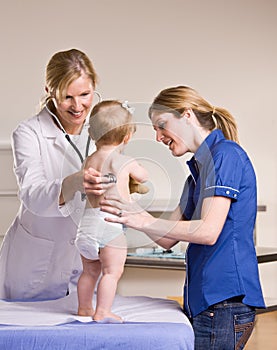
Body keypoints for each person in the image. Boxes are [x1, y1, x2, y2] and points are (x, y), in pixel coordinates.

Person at [98, 86, 265, 349]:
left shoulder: (226, 155)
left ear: (187, 115)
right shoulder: (196, 174)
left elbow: (209, 231)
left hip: (225, 302)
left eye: (162, 125)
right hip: (206, 303)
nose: (158, 137)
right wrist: (128, 207)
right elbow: (166, 240)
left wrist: (142, 220)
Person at [0, 48, 114, 301]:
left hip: (87, 258)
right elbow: (32, 195)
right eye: (67, 97)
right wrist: (76, 181)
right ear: (49, 92)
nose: (77, 106)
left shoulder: (105, 128)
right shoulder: (29, 133)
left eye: (85, 94)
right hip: (36, 262)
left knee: (86, 333)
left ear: (95, 86)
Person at [75, 100, 148, 322]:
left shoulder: (89, 160)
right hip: (110, 224)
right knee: (112, 272)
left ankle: (84, 308)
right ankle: (103, 311)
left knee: (89, 272)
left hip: (86, 225)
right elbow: (143, 177)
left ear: (92, 134)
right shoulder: (123, 160)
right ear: (127, 137)